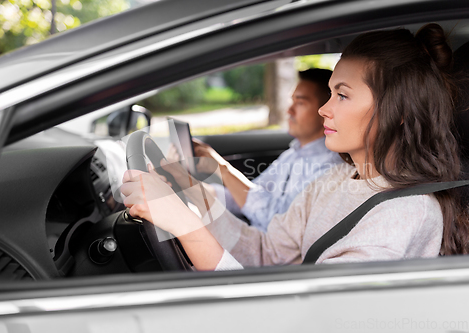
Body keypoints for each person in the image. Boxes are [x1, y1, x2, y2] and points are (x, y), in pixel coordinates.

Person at [121, 23, 469, 271]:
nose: (324, 109)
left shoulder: (404, 214)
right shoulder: (337, 179)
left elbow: (301, 321)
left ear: (401, 112)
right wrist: (191, 195)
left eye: (342, 95)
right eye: (330, 92)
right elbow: (265, 252)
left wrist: (186, 225)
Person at [193, 69, 342, 231]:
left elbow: (277, 221)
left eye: (300, 103)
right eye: (292, 101)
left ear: (326, 113)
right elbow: (245, 195)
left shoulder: (330, 167)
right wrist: (194, 189)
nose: (289, 110)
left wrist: (222, 169)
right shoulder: (293, 154)